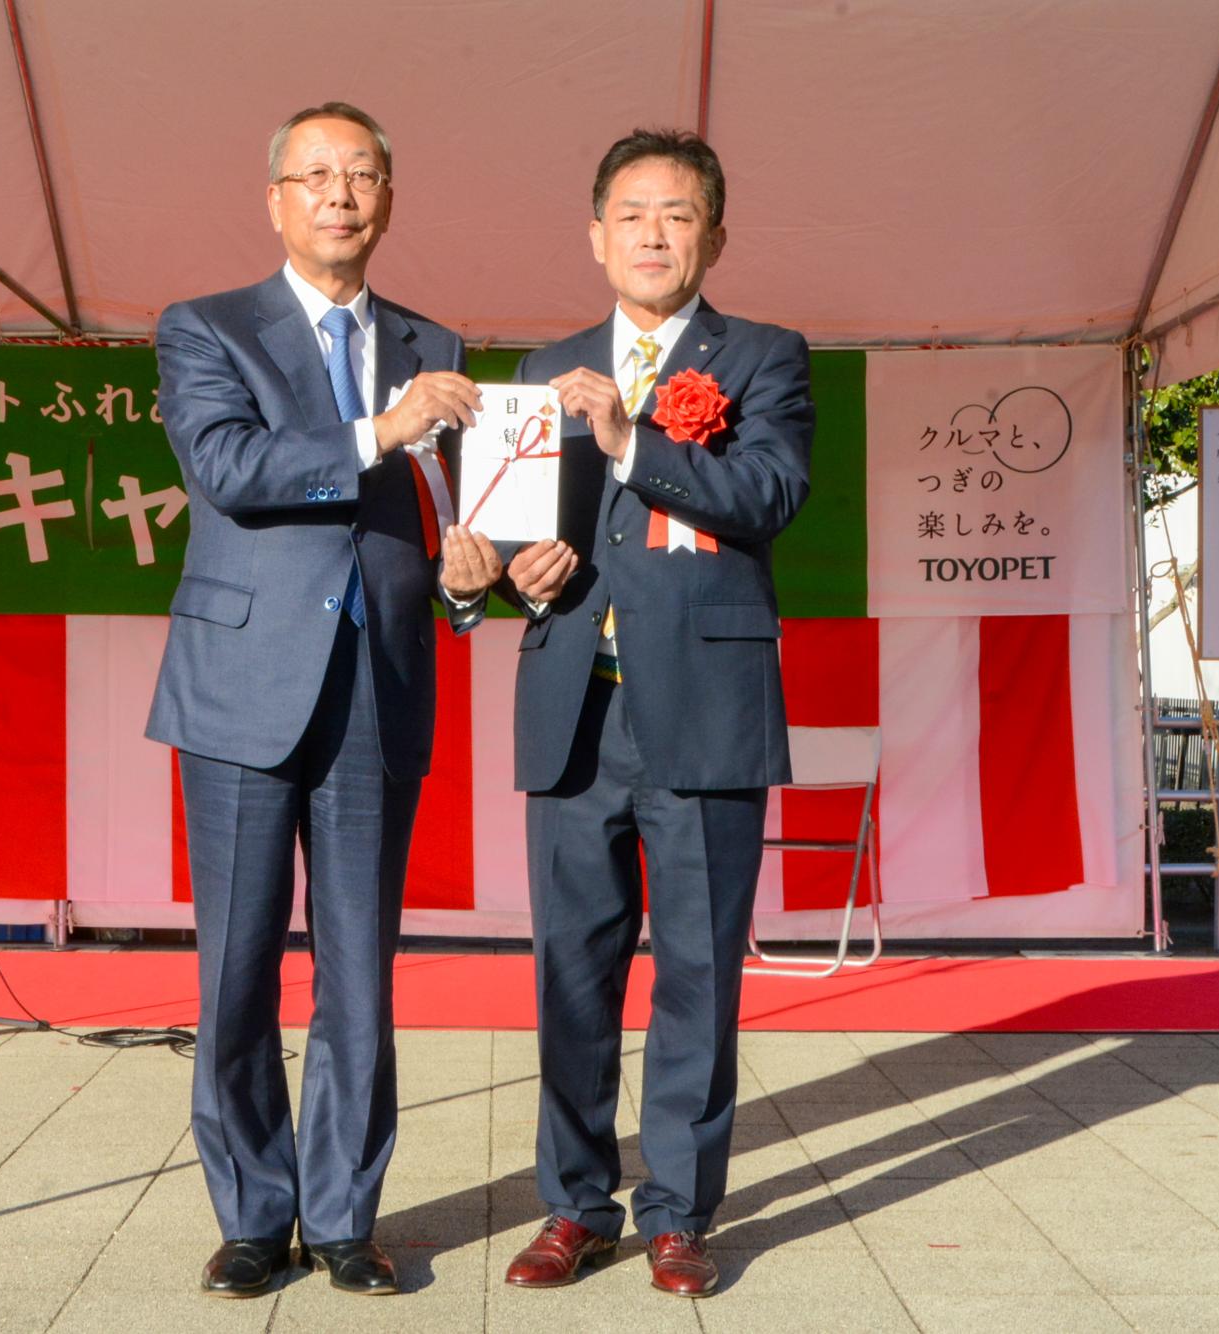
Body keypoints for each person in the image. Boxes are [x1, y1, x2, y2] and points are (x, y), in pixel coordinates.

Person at [148, 100, 499, 1299]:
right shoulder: (206, 326)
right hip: (241, 688)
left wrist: (466, 579)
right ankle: (253, 1216)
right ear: (275, 200)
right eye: (315, 175)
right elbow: (226, 467)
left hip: (376, 685)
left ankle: (346, 1216)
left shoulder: (431, 339)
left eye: (359, 175)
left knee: (360, 968)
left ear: (388, 198)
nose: (338, 194)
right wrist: (377, 428)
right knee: (236, 967)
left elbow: (448, 512)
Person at [496, 128, 813, 1298]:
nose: (650, 233)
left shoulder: (762, 357)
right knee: (569, 973)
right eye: (629, 213)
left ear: (712, 236)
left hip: (706, 708)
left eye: (676, 214)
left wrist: (632, 440)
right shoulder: (545, 366)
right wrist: (510, 571)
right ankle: (573, 1204)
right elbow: (520, 526)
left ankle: (677, 1210)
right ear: (593, 235)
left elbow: (767, 492)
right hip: (574, 708)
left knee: (696, 972)